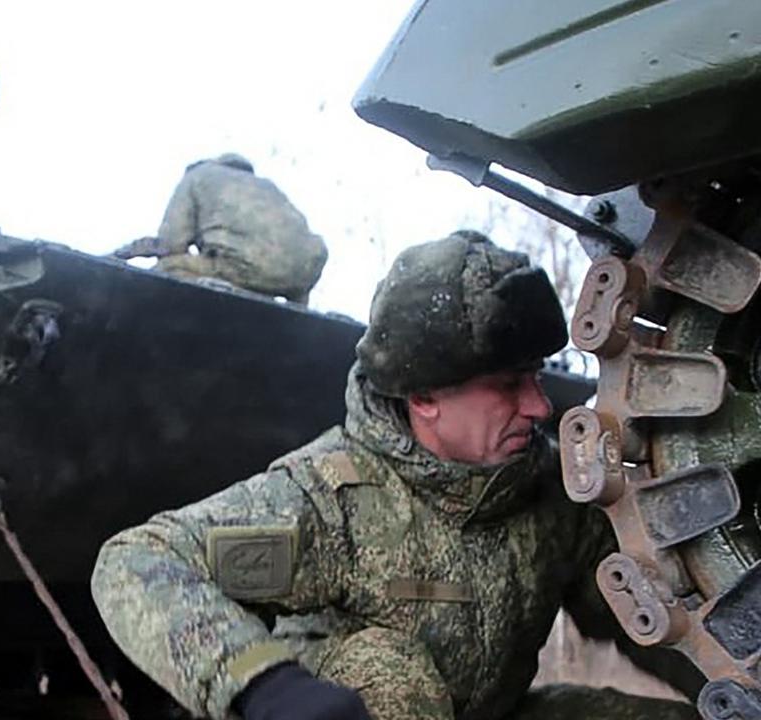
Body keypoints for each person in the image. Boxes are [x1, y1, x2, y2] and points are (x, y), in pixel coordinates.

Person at [91, 231, 702, 720]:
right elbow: (136, 561)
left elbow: (640, 619)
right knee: (390, 677)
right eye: (509, 385)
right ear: (425, 397)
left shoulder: (545, 488)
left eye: (537, 377)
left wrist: (734, 678)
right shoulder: (332, 497)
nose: (540, 406)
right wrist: (262, 684)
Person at [113, 154, 328, 304]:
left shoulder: (197, 175)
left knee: (167, 270)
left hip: (240, 265)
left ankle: (227, 291)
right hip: (301, 277)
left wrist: (123, 254)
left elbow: (171, 244)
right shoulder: (266, 186)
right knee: (277, 269)